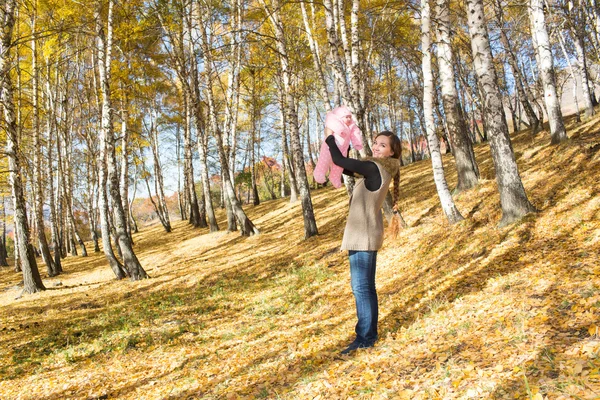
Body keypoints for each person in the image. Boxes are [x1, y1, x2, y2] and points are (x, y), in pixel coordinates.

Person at [324, 130, 402, 354]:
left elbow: (339, 161)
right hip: (364, 234)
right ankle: (367, 335)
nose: (376, 147)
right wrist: (343, 144)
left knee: (362, 288)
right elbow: (345, 166)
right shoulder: (377, 169)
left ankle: (366, 338)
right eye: (376, 143)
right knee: (364, 288)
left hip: (363, 236)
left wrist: (330, 138)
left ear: (392, 152)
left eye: (383, 145)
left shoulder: (375, 168)